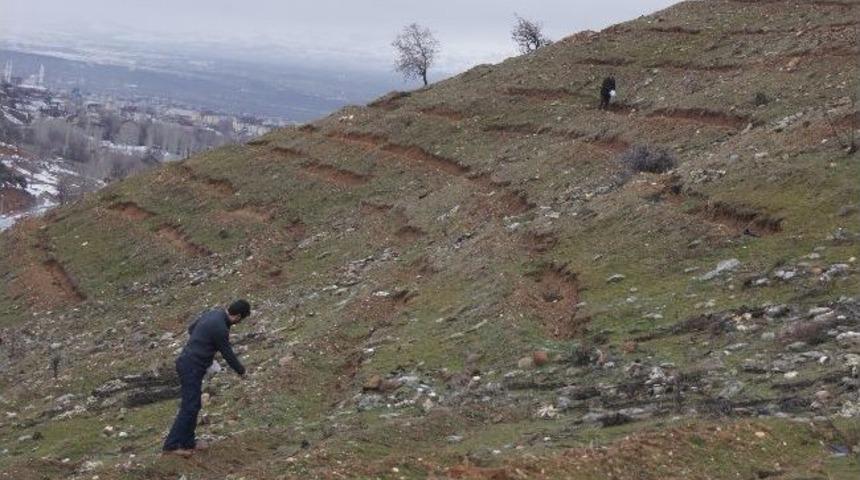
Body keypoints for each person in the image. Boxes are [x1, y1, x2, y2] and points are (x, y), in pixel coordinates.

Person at [162, 300, 251, 457]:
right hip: (192, 366)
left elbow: (191, 329)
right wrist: (242, 371)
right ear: (237, 316)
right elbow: (227, 353)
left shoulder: (213, 313)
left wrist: (203, 346)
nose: (238, 323)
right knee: (189, 406)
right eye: (240, 320)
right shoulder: (221, 328)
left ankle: (188, 442)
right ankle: (171, 445)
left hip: (188, 362)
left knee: (194, 405)